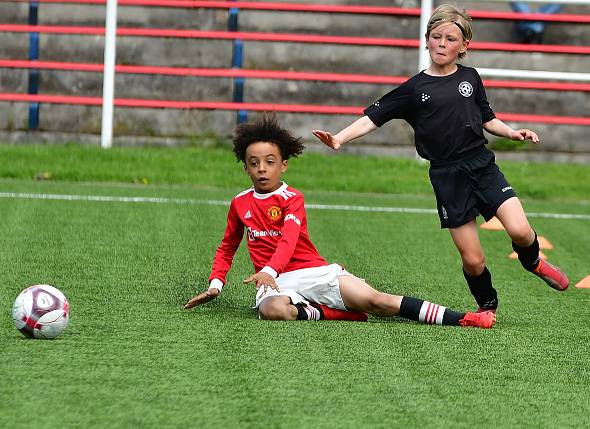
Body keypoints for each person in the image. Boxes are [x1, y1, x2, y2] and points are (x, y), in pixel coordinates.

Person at [311, 4, 569, 314]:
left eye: (449, 39)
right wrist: (339, 137)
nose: (442, 44)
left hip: (481, 165)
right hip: (448, 177)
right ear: (427, 39)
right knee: (473, 260)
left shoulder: (471, 78)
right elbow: (374, 117)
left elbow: (487, 118)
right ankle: (488, 307)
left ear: (464, 46)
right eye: (436, 37)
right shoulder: (415, 88)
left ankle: (534, 262)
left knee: (522, 232)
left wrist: (512, 132)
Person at [184, 115, 495, 329]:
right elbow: (227, 246)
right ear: (246, 169)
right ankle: (337, 314)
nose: (262, 169)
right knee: (271, 310)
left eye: (269, 162)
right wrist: (215, 284)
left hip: (313, 271)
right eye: (254, 164)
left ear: (283, 166)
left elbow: (288, 240)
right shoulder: (240, 203)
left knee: (376, 301)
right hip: (277, 283)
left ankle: (464, 318)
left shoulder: (293, 198)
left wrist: (266, 269)